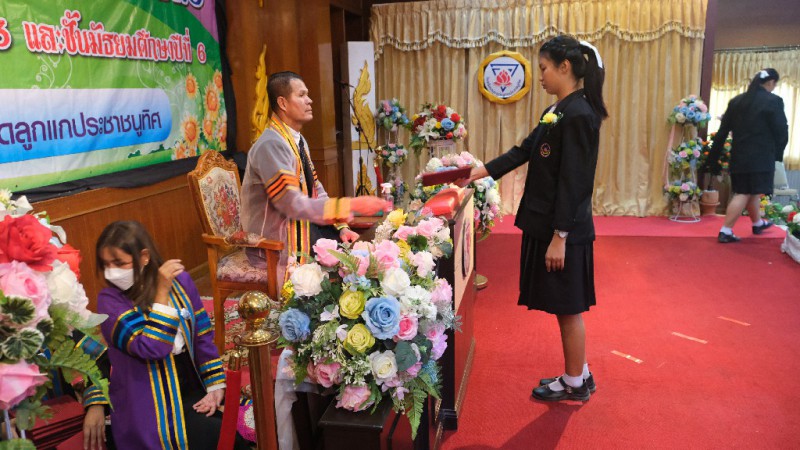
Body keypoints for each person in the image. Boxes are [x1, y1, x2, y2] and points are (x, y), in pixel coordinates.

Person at [459, 35, 607, 402]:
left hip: (563, 228)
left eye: (543, 68)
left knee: (568, 307)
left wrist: (560, 236)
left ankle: (574, 382)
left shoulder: (578, 113)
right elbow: (525, 150)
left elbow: (575, 182)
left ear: (564, 67)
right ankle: (580, 372)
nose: (539, 76)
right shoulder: (560, 109)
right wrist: (480, 171)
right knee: (564, 304)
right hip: (552, 223)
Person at [96, 221, 249, 449]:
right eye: (105, 264)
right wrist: (161, 292)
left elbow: (201, 334)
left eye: (119, 263)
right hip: (147, 400)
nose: (112, 271)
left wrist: (215, 386)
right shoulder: (109, 301)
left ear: (144, 257)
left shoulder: (181, 281)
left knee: (230, 432)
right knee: (213, 435)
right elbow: (151, 348)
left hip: (189, 380)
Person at [241, 71, 387, 283]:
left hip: (301, 228)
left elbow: (315, 189)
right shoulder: (271, 144)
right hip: (276, 243)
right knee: (356, 266)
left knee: (364, 256)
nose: (309, 100)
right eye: (301, 95)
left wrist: (341, 226)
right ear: (282, 103)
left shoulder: (297, 140)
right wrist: (349, 206)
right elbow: (291, 204)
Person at [709, 68, 789, 243]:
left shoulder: (736, 101)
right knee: (743, 192)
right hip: (761, 157)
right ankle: (726, 230)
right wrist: (778, 154)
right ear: (771, 82)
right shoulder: (773, 101)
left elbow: (722, 132)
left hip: (739, 155)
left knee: (752, 191)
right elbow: (782, 131)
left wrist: (713, 159)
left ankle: (757, 223)